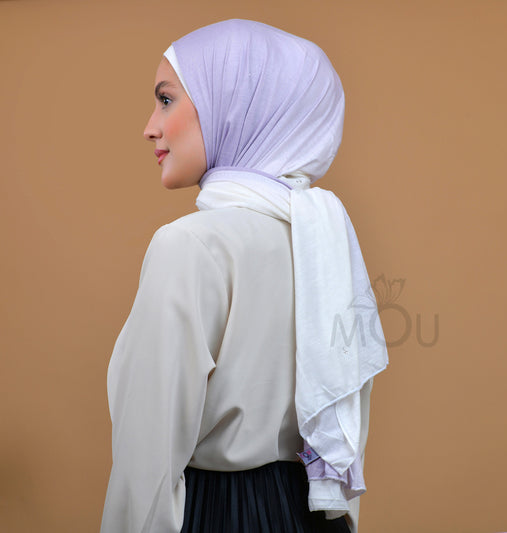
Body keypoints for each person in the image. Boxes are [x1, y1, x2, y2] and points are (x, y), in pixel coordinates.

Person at [100, 19, 388, 533]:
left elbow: (147, 463)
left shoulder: (189, 245)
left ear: (230, 105)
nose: (150, 126)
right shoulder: (326, 244)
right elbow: (347, 428)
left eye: (166, 100)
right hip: (314, 513)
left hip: (216, 513)